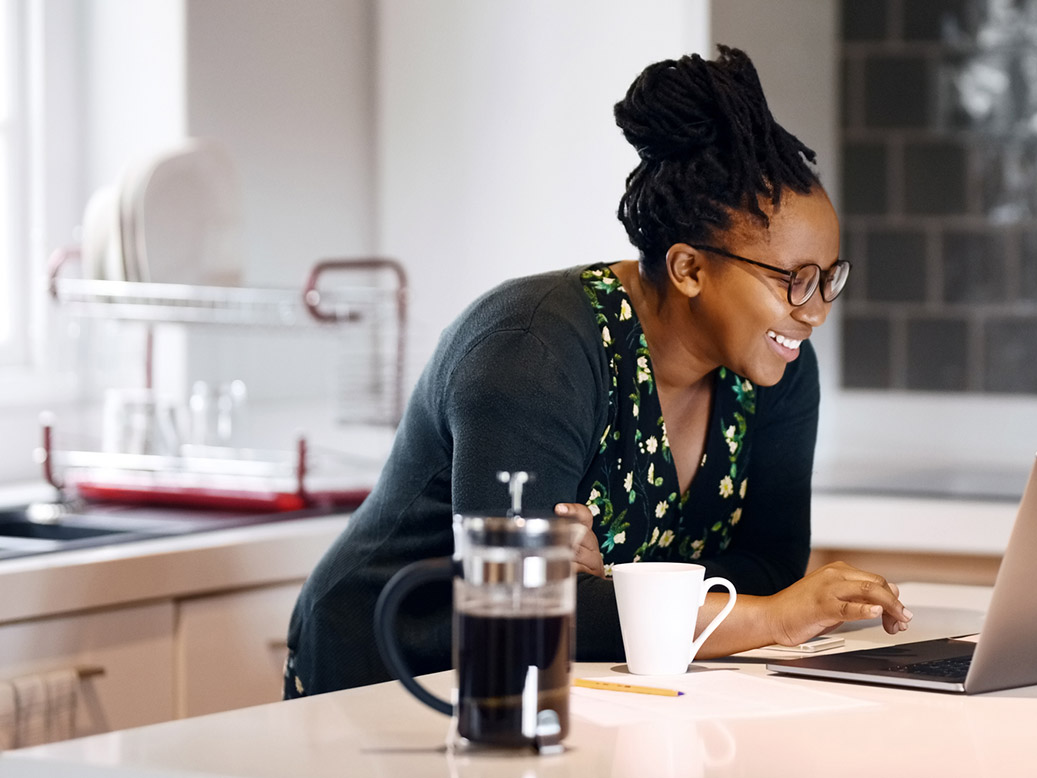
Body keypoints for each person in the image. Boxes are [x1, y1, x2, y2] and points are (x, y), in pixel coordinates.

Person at [283, 46, 912, 698]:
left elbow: (770, 562)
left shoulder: (774, 366)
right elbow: (518, 607)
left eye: (828, 278)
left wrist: (607, 583)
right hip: (388, 674)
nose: (815, 312)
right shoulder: (533, 354)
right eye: (794, 281)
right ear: (689, 268)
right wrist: (769, 619)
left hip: (571, 690)